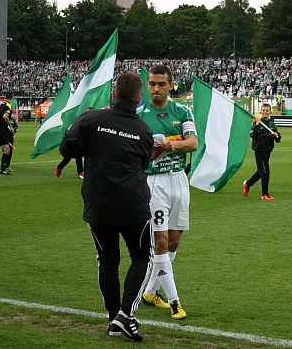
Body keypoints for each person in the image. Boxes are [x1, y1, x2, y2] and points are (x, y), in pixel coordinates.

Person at [60, 73, 153, 342]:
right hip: (132, 204)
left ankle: (114, 319)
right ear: (138, 97)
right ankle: (125, 315)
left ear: (114, 93)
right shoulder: (143, 129)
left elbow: (68, 148)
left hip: (99, 203)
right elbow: (144, 163)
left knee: (108, 260)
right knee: (141, 256)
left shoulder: (91, 119)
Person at [137, 65, 198, 320]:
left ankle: (150, 292)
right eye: (152, 84)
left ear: (170, 85)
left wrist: (173, 145)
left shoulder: (182, 111)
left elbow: (193, 143)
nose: (156, 89)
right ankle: (175, 301)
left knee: (174, 240)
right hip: (154, 184)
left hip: (179, 181)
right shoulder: (139, 114)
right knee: (160, 241)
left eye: (161, 84)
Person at [243, 103, 282, 200]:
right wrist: (256, 125)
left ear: (270, 112)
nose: (265, 112)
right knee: (265, 172)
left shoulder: (272, 124)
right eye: (263, 110)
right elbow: (253, 135)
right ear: (260, 112)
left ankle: (248, 183)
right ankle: (265, 194)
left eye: (267, 110)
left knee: (261, 172)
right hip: (259, 149)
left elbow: (278, 140)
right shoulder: (257, 122)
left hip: (268, 150)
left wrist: (276, 135)